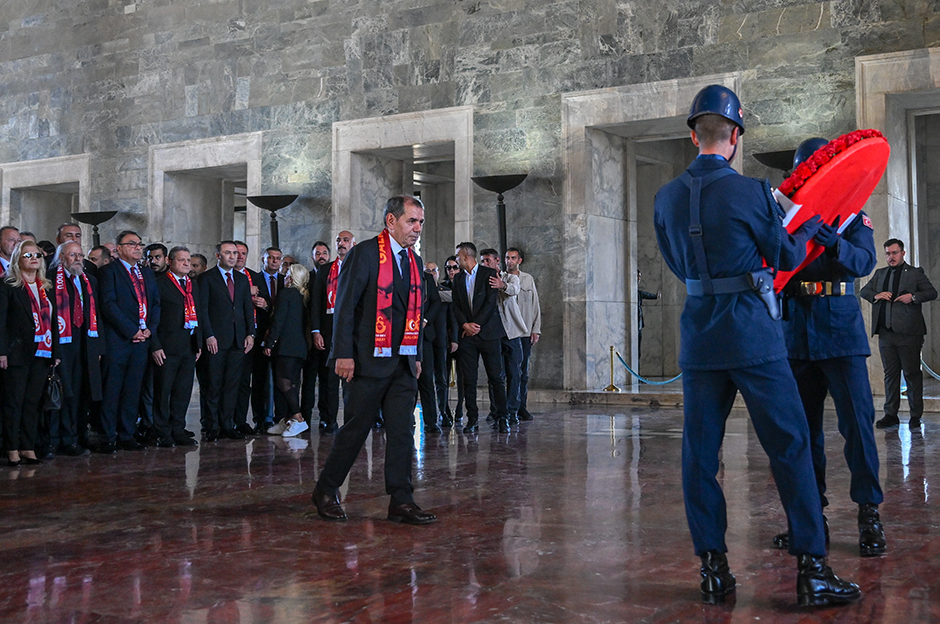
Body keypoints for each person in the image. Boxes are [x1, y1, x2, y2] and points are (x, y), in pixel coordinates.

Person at [653, 84, 859, 606]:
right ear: (736, 136)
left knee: (699, 455)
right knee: (789, 445)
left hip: (699, 338)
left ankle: (714, 571)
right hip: (753, 334)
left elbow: (676, 265)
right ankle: (813, 569)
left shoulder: (666, 198)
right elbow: (786, 254)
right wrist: (810, 224)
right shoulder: (752, 193)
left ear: (692, 135)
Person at [770, 137, 886, 557]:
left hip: (840, 331)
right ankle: (808, 518)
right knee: (802, 435)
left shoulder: (852, 217)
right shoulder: (785, 219)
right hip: (796, 331)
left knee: (857, 427)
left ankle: (868, 514)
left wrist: (832, 240)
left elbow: (863, 263)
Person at [311, 195, 435, 525]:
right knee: (355, 430)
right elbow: (345, 307)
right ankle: (326, 489)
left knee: (402, 432)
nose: (417, 228)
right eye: (412, 221)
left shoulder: (414, 260)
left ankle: (401, 500)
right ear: (391, 221)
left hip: (403, 362)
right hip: (366, 361)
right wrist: (343, 354)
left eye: (421, 222)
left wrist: (417, 354)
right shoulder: (365, 254)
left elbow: (416, 311)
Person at [860, 238, 937, 429]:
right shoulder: (880, 274)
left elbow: (932, 292)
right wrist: (876, 295)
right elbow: (864, 291)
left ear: (903, 253)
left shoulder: (915, 273)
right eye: (888, 253)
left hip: (909, 333)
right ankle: (890, 414)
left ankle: (915, 416)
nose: (891, 257)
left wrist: (913, 297)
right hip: (886, 334)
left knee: (911, 374)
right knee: (890, 375)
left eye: (894, 253)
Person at [98, 231, 161, 452]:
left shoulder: (146, 272)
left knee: (133, 390)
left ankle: (126, 434)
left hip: (142, 340)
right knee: (112, 389)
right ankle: (107, 436)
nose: (138, 247)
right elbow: (108, 305)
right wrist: (131, 330)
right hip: (119, 339)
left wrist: (149, 330)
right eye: (132, 244)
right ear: (119, 248)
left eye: (139, 244)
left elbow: (154, 303)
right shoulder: (109, 271)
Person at [0, 240, 59, 466]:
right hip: (17, 352)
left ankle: (28, 446)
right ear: (18, 259)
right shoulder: (8, 285)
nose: (33, 258)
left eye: (36, 255)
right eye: (27, 255)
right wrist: (2, 351)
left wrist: (56, 351)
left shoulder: (46, 286)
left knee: (33, 402)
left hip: (43, 352)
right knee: (14, 401)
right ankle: (11, 448)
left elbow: (54, 323)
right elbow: (2, 322)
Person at [44, 241, 102, 457]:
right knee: (58, 392)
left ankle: (72, 437)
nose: (78, 259)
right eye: (72, 255)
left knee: (77, 393)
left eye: (80, 255)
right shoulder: (50, 280)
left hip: (83, 342)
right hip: (60, 343)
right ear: (61, 258)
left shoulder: (89, 281)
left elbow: (96, 316)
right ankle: (52, 441)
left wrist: (98, 348)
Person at [197, 241, 255, 441]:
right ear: (218, 255)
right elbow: (202, 310)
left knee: (232, 386)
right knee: (213, 385)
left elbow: (247, 308)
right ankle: (212, 426)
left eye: (235, 253)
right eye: (228, 253)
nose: (233, 256)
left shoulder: (241, 279)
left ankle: (227, 425)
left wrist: (251, 334)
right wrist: (208, 335)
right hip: (216, 340)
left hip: (239, 341)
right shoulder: (206, 279)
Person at [452, 242, 511, 433]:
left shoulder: (488, 274)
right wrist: (465, 325)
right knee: (469, 379)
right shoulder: (459, 278)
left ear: (467, 256)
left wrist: (475, 325)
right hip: (467, 336)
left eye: (458, 256)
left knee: (496, 377)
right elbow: (456, 306)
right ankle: (472, 419)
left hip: (489, 333)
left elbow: (490, 302)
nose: (456, 260)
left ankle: (503, 417)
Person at [150, 247, 201, 448]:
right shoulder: (159, 284)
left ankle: (177, 428)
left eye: (188, 260)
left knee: (183, 391)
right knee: (163, 391)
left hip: (188, 346)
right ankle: (161, 431)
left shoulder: (192, 285)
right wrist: (155, 345)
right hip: (166, 346)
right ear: (170, 262)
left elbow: (199, 314)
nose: (187, 263)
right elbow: (151, 318)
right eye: (182, 260)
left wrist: (198, 342)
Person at [307, 231, 356, 434]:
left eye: (346, 240)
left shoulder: (360, 267)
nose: (342, 244)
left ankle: (352, 420)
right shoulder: (325, 269)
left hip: (353, 331)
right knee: (329, 378)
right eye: (339, 240)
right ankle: (329, 420)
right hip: (328, 330)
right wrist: (316, 330)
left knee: (352, 380)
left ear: (354, 243)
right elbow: (316, 302)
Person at [264, 263, 312, 438]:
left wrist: (270, 343)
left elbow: (279, 321)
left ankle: (298, 419)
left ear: (291, 278)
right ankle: (286, 420)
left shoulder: (286, 294)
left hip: (286, 347)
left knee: (283, 383)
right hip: (300, 348)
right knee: (290, 384)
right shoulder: (302, 297)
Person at [480, 248, 526, 425]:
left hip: (511, 333)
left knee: (514, 373)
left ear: (496, 261)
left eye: (487, 261)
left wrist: (502, 285)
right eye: (482, 261)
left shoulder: (510, 277)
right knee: (495, 374)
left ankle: (513, 410)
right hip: (492, 333)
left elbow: (514, 289)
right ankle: (497, 410)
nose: (485, 264)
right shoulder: (482, 280)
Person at [233, 240, 268, 436]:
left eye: (243, 253)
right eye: (235, 253)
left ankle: (251, 420)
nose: (239, 257)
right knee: (235, 382)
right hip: (235, 337)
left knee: (251, 383)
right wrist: (247, 291)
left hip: (255, 335)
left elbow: (268, 305)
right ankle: (230, 420)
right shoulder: (226, 277)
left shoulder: (255, 276)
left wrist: (264, 305)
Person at [505, 248, 540, 420]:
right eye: (507, 257)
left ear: (519, 260)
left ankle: (521, 406)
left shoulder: (527, 279)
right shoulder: (502, 279)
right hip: (508, 331)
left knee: (522, 372)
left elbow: (535, 305)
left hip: (525, 331)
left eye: (513, 258)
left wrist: (535, 329)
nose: (509, 261)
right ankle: (504, 407)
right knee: (507, 372)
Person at [300, 240, 331, 424]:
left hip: (329, 339)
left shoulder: (334, 277)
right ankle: (305, 417)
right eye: (317, 253)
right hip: (309, 338)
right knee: (309, 381)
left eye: (324, 253)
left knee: (327, 381)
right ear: (312, 257)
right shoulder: (307, 278)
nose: (321, 256)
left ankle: (326, 418)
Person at [417, 263, 445, 432]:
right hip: (402, 335)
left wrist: (425, 320)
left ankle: (431, 421)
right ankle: (404, 420)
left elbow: (435, 302)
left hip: (424, 336)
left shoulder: (427, 278)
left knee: (427, 379)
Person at [441, 256, 463, 425]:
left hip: (464, 336)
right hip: (446, 337)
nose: (452, 271)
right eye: (449, 268)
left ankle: (461, 409)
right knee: (443, 375)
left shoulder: (466, 285)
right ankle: (444, 410)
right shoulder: (442, 287)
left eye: (455, 267)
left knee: (463, 376)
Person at [636, 269, 661, 363]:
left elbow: (645, 294)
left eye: (639, 277)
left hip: (638, 324)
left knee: (638, 351)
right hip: (634, 324)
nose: (639, 279)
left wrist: (655, 296)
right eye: (637, 276)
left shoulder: (638, 293)